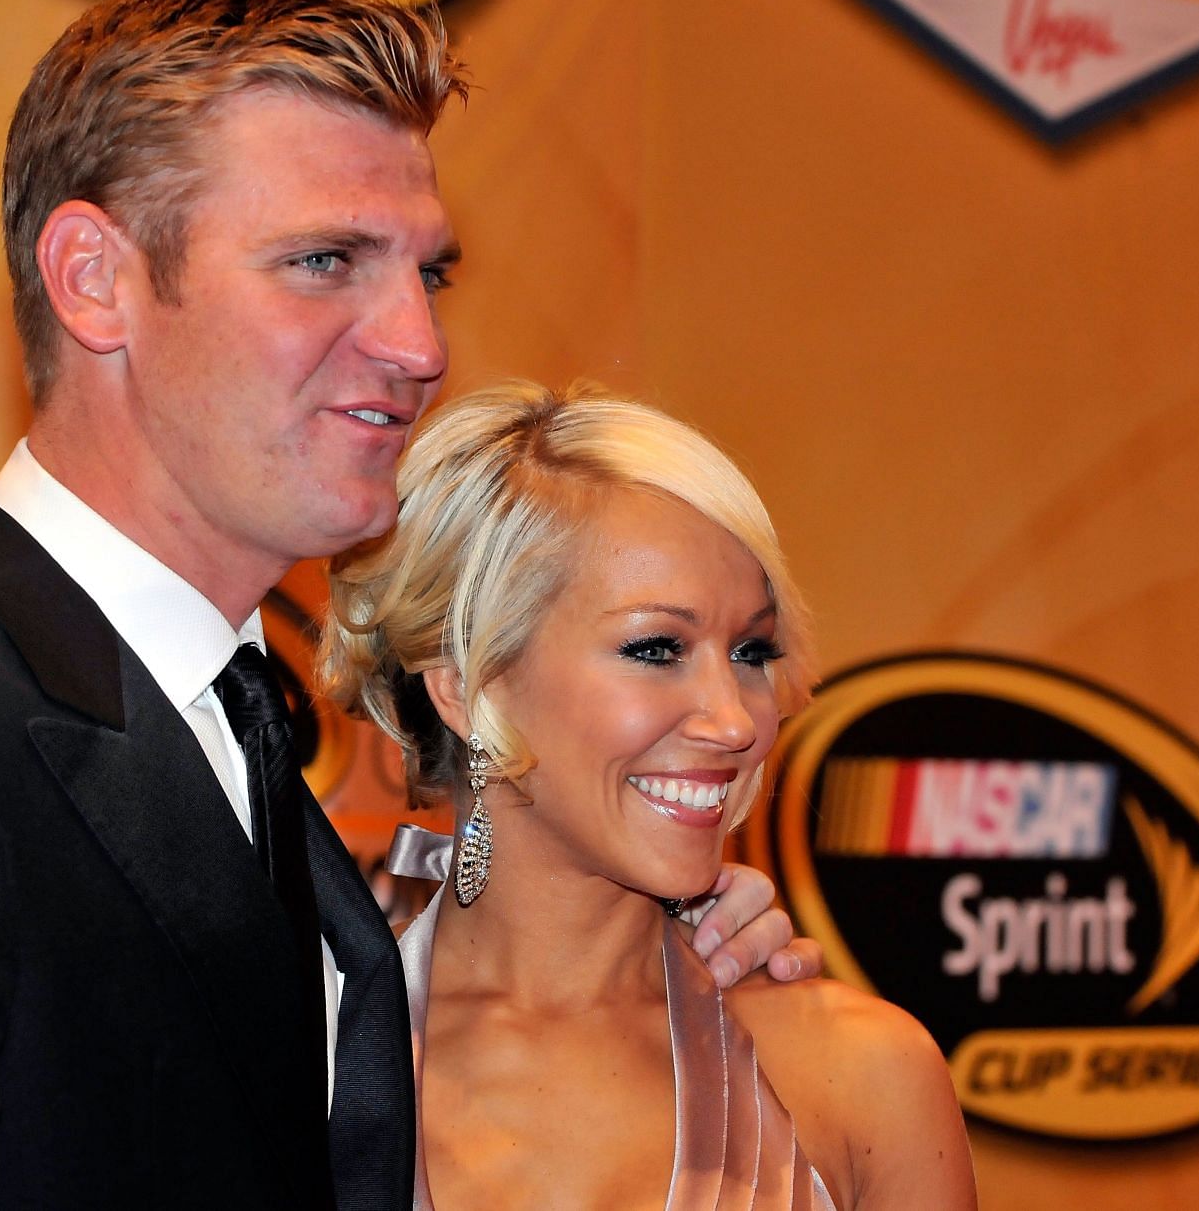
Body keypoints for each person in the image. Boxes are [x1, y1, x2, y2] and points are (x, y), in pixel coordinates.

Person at [0, 0, 816, 1211]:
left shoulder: (236, 729)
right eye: (325, 260)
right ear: (95, 279)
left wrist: (643, 929)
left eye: (427, 275)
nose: (420, 347)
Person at [321, 381, 977, 1210]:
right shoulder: (316, 1066)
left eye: (751, 650)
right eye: (657, 647)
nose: (736, 720)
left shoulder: (862, 1074)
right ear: (467, 684)